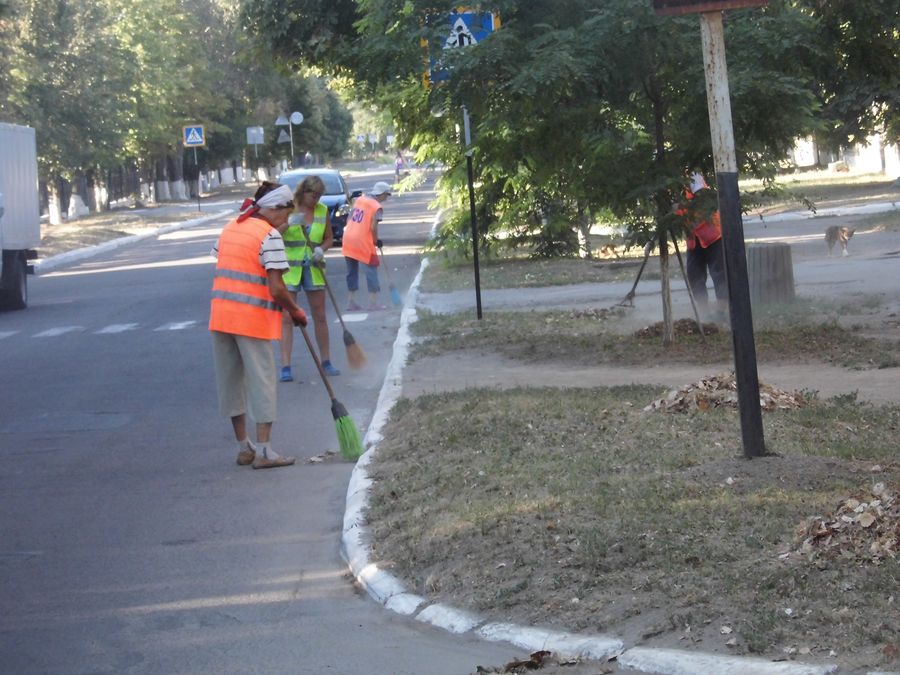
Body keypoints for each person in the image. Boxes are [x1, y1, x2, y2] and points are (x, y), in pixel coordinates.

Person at [209, 181, 308, 470]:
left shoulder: (231, 227)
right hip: (251, 320)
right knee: (262, 383)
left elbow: (227, 259)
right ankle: (265, 451)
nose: (287, 222)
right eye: (287, 215)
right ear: (275, 210)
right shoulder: (269, 237)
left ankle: (244, 447)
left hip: (221, 317)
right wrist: (296, 311)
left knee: (231, 383)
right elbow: (277, 289)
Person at [277, 175, 339, 382]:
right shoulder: (288, 209)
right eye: (314, 196)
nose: (317, 200)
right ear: (303, 192)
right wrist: (289, 223)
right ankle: (285, 366)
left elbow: (329, 237)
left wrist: (322, 249)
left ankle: (327, 361)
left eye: (320, 196)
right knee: (287, 318)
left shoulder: (322, 211)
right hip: (290, 271)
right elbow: (273, 234)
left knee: (320, 316)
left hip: (314, 268)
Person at [679, 172, 728, 321]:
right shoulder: (671, 186)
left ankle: (720, 313)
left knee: (719, 274)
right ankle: (704, 314)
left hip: (713, 236)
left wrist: (686, 217)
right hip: (694, 240)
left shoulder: (693, 177)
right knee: (695, 275)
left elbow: (704, 203)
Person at [343, 181, 391, 311]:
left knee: (351, 272)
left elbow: (349, 218)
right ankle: (373, 303)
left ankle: (351, 302)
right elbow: (373, 227)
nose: (386, 198)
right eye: (386, 195)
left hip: (348, 239)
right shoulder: (377, 207)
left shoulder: (360, 200)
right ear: (381, 194)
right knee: (371, 270)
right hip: (362, 241)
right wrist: (376, 241)